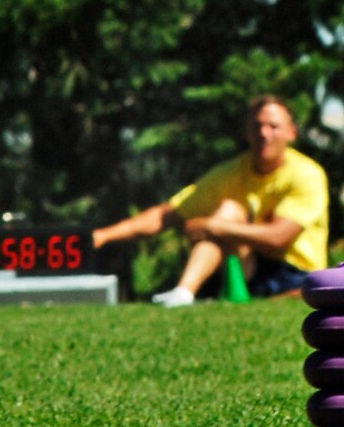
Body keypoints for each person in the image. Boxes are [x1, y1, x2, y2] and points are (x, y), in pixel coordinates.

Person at [93, 94, 330, 306]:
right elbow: (166, 215)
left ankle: (220, 296)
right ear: (247, 132)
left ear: (292, 133)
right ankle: (184, 293)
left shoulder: (307, 174)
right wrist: (103, 236)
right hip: (251, 269)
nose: (264, 133)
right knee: (228, 210)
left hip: (296, 272)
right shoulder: (230, 173)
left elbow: (279, 238)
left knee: (219, 223)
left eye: (273, 126)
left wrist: (215, 226)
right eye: (257, 126)